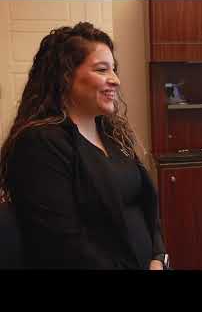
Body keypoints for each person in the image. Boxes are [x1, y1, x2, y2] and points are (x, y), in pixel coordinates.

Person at [0, 22, 169, 269]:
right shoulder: (39, 143)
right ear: (64, 77)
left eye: (114, 69)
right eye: (102, 70)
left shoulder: (113, 133)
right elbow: (62, 243)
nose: (116, 80)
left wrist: (158, 257)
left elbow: (146, 207)